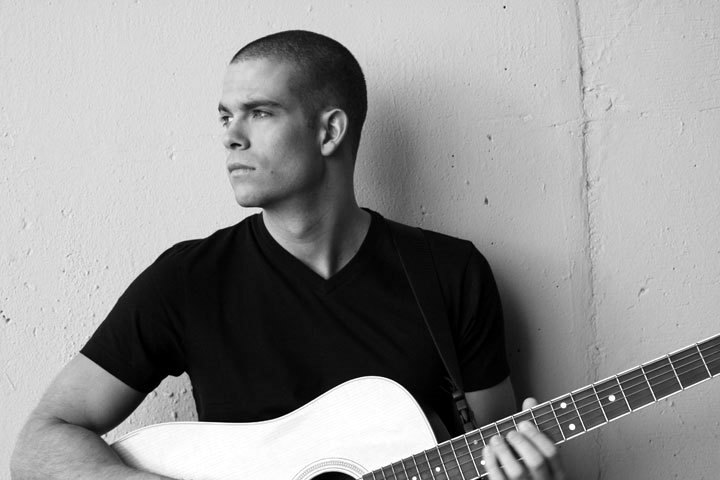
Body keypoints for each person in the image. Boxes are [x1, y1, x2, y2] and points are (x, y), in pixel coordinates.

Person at [11, 30, 565, 480]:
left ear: (330, 132)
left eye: (259, 112)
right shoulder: (188, 280)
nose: (231, 137)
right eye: (225, 116)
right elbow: (39, 444)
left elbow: (492, 454)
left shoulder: (449, 273)